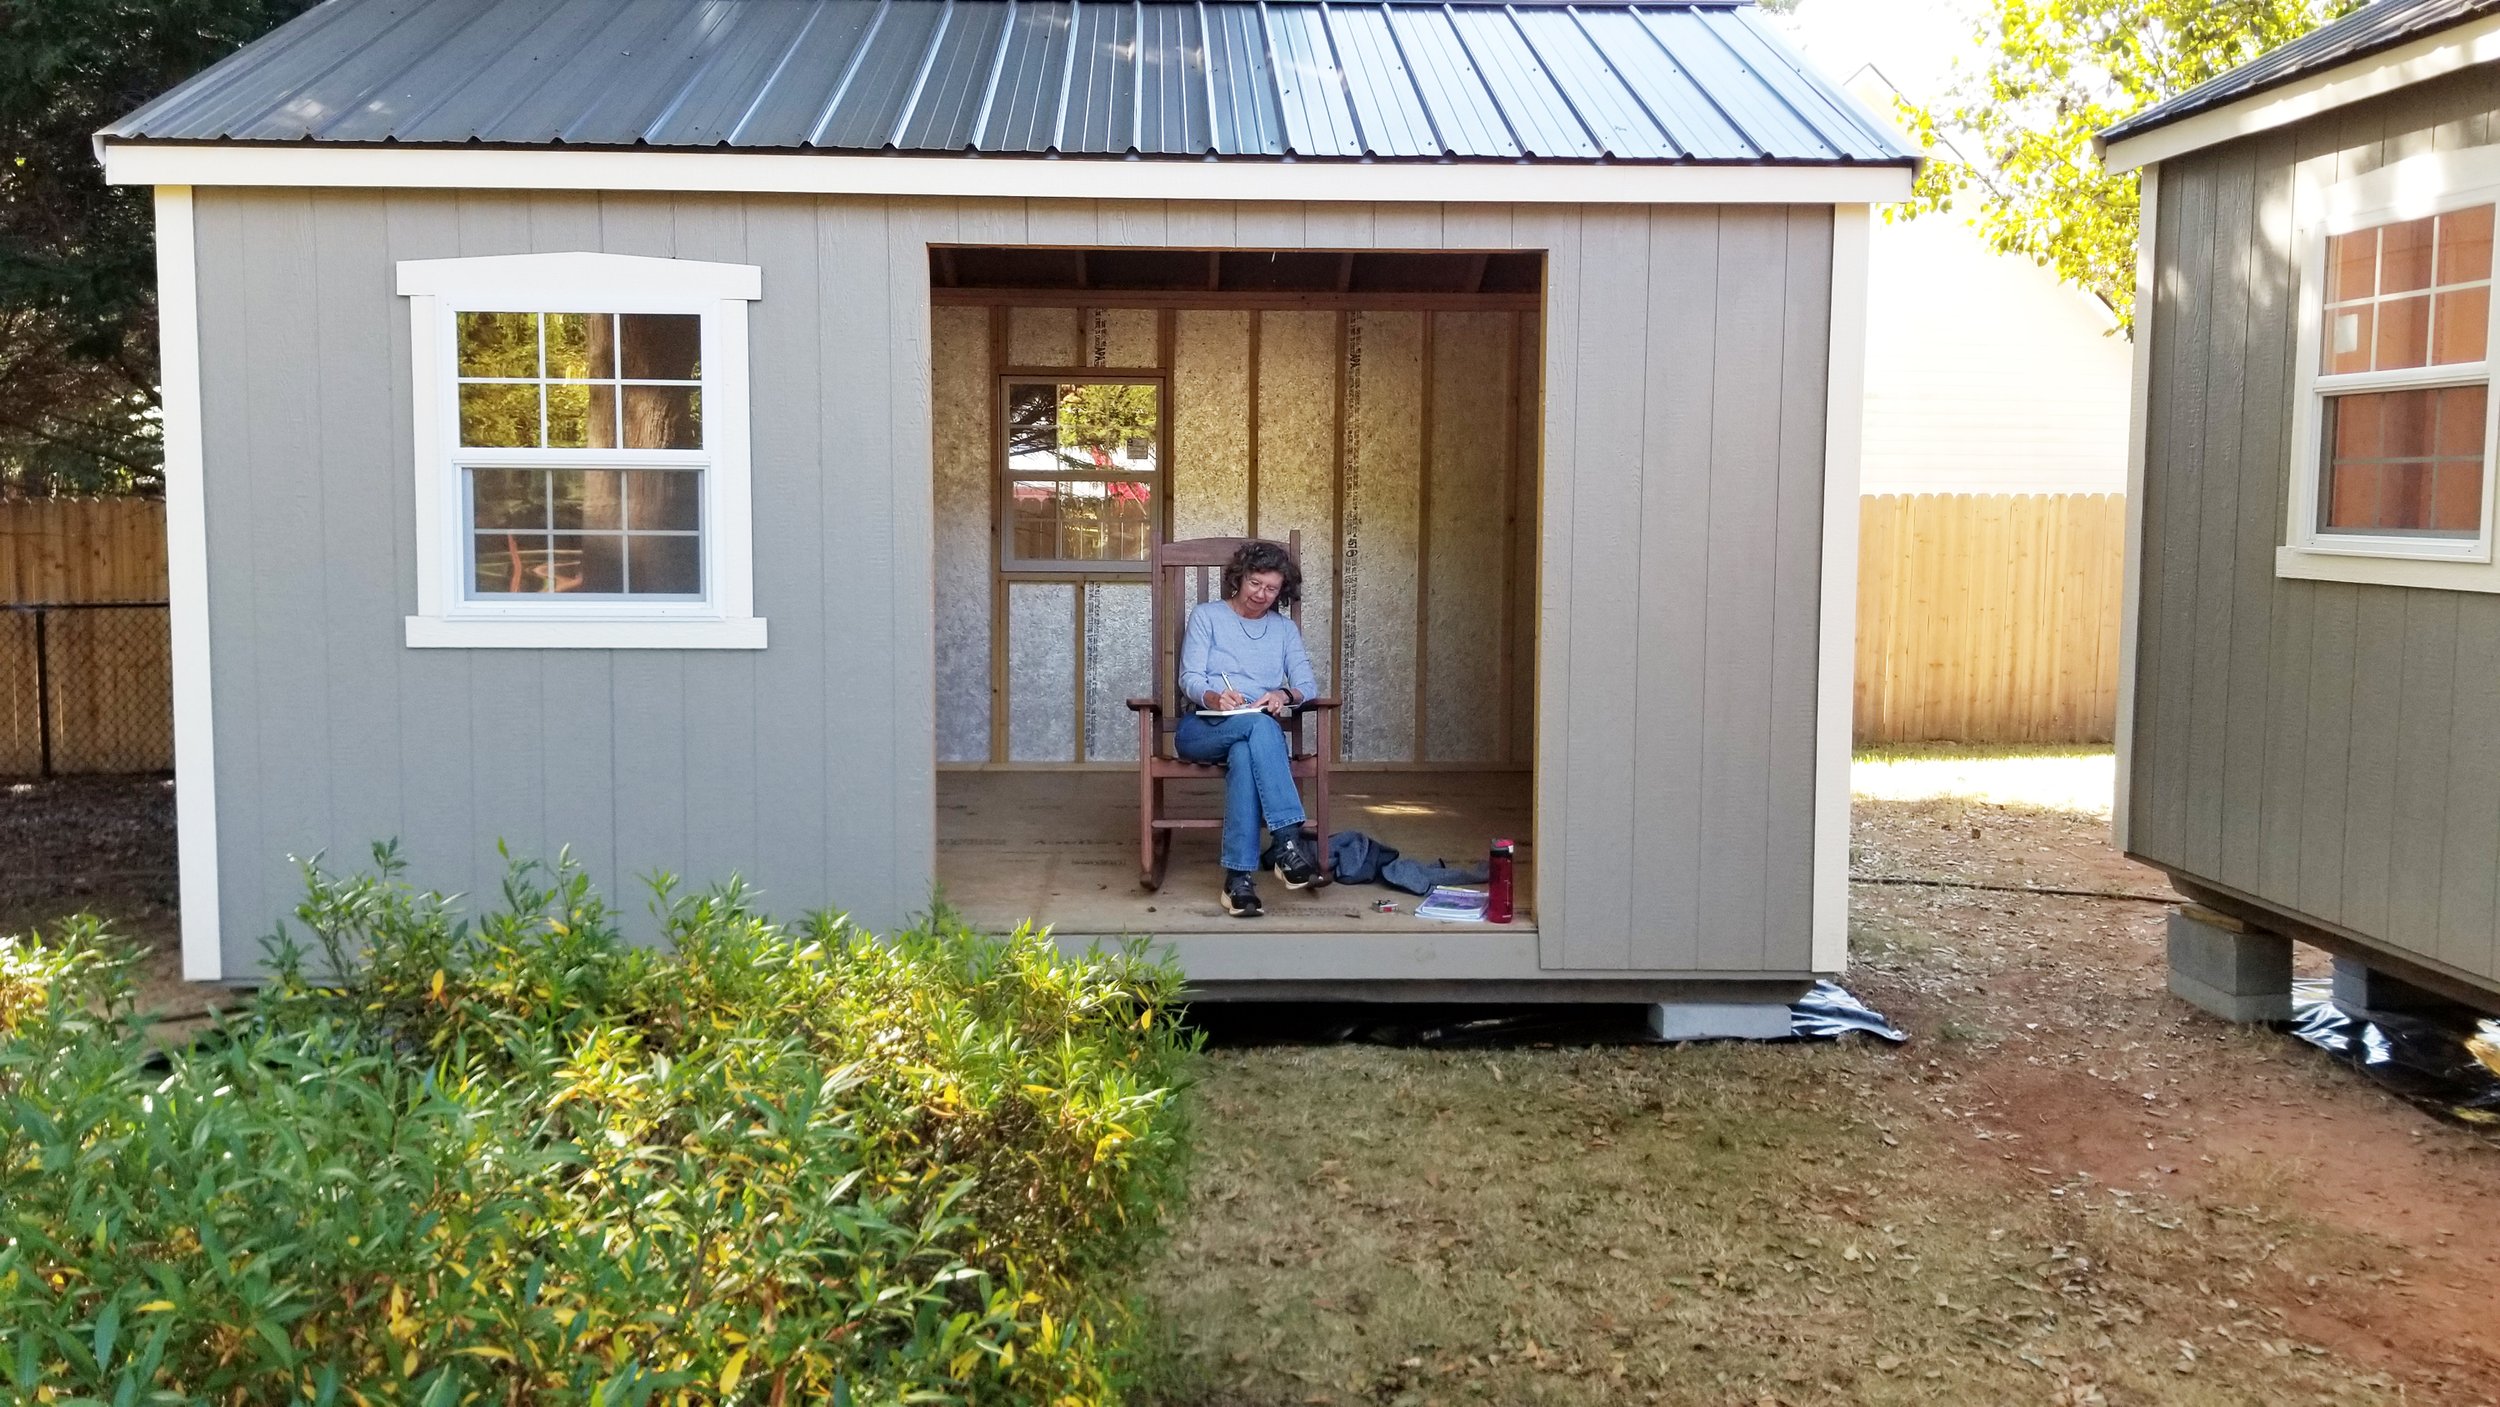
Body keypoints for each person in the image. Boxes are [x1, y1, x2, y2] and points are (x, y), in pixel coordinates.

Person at [1176, 540, 1326, 918]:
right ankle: (1287, 843)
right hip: (1203, 729)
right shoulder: (1207, 616)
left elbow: (1308, 686)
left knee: (1248, 750)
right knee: (1260, 729)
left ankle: (1238, 881)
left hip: (1253, 736)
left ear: (1282, 591)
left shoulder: (1284, 629)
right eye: (1255, 583)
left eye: (1272, 588)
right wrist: (1213, 697)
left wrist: (1282, 693)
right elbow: (1189, 677)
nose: (1262, 594)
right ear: (1239, 578)